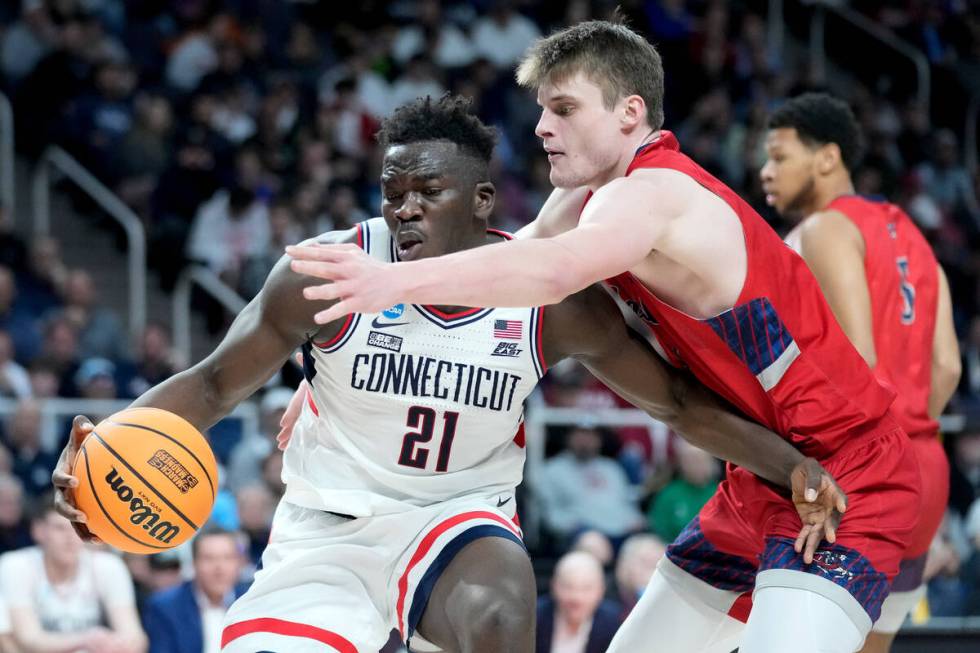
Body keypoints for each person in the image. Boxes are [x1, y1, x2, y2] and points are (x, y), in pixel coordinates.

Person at [55, 96, 839, 653]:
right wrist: (102, 450)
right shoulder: (328, 274)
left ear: (482, 201)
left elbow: (672, 399)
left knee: (503, 607)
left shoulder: (549, 302)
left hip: (455, 519)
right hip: (328, 525)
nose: (406, 210)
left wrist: (791, 462)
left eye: (429, 192)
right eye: (394, 193)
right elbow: (216, 382)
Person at [286, 22, 921, 653]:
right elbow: (487, 286)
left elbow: (546, 275)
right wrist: (333, 379)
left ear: (629, 113)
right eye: (541, 110)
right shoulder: (589, 198)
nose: (541, 128)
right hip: (764, 470)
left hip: (850, 470)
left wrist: (390, 284)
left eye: (563, 109)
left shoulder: (656, 194)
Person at [760, 92, 962, 652]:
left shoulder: (822, 229)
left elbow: (857, 363)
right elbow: (947, 366)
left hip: (855, 471)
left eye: (779, 157)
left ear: (827, 158)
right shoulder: (916, 235)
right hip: (925, 470)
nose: (765, 172)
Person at [0, 494, 147, 653]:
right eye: (59, 528)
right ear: (38, 531)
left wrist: (119, 645)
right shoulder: (16, 565)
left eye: (77, 528)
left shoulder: (109, 566)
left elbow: (135, 638)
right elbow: (28, 639)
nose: (70, 538)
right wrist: (88, 639)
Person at [142, 528, 249, 653]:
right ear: (193, 563)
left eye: (227, 558)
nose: (219, 568)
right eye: (209, 558)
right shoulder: (165, 607)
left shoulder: (252, 603)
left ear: (239, 563)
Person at [535, 551, 620, 653]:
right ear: (554, 586)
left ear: (601, 590)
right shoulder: (534, 617)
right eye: (568, 587)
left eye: (586, 588)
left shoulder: (614, 623)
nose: (576, 597)